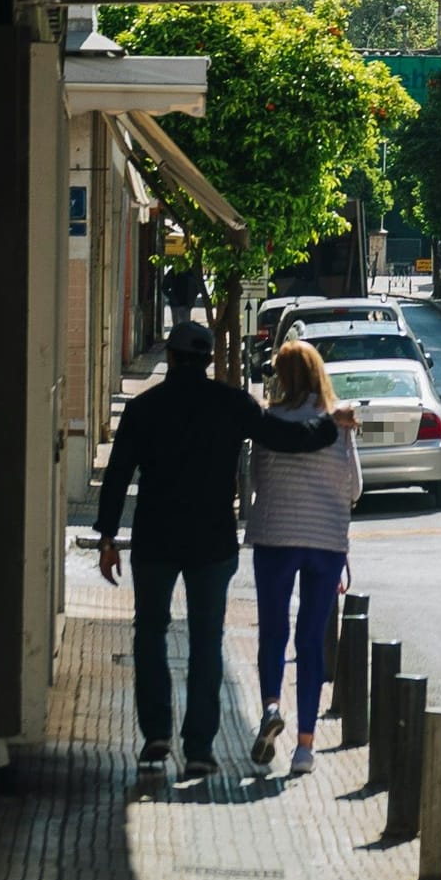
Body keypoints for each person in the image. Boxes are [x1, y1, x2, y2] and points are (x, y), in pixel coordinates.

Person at [93, 320, 356, 780]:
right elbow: (286, 438)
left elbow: (117, 474)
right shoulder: (233, 405)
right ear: (210, 360)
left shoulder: (144, 407)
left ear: (171, 358)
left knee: (149, 633)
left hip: (155, 537)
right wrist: (331, 424)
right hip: (211, 541)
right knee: (205, 641)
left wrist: (109, 537)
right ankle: (199, 748)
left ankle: (156, 737)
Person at [245, 341, 361, 776]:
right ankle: (305, 749)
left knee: (273, 630)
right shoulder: (339, 422)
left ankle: (272, 706)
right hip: (326, 541)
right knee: (311, 640)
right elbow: (353, 489)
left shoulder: (270, 421)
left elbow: (256, 479)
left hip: (275, 535)